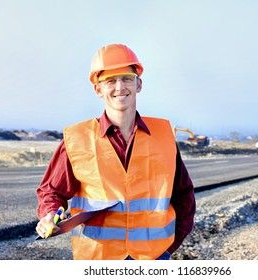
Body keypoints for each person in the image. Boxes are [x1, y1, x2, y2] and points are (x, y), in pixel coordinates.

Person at [35, 43, 195, 260]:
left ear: (139, 84)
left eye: (127, 78)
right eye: (110, 80)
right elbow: (51, 191)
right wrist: (49, 215)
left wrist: (168, 249)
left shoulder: (163, 136)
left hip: (154, 259)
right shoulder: (77, 139)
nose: (120, 87)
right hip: (99, 260)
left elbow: (183, 196)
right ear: (98, 89)